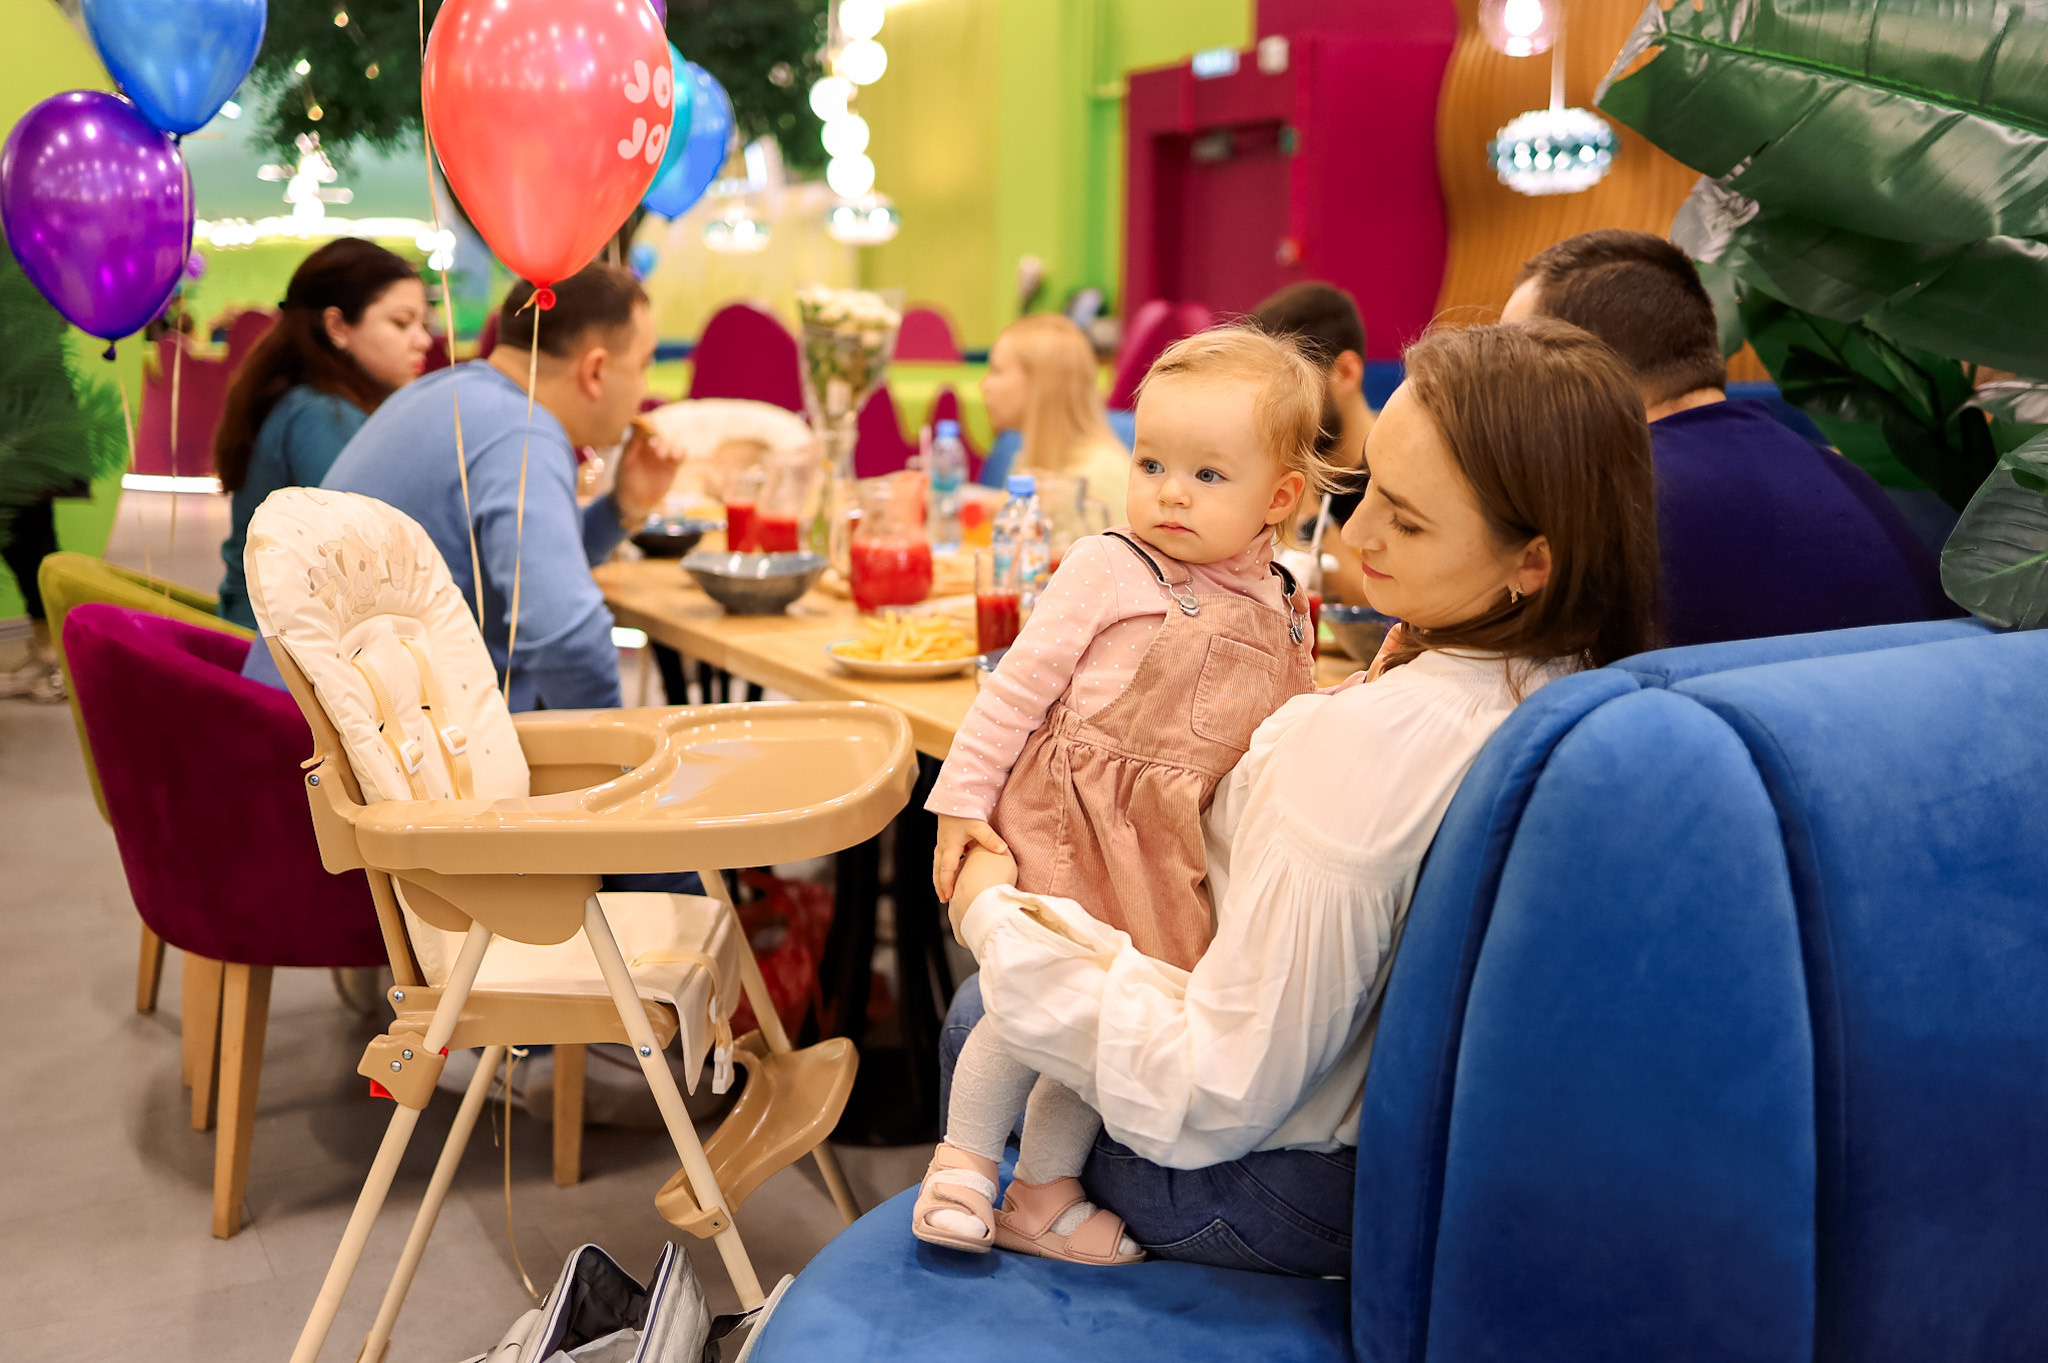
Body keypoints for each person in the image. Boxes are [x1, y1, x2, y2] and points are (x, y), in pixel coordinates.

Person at [939, 318, 1662, 1276]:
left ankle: (1013, 1205)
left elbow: (1219, 1091)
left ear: (1532, 562)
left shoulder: (1367, 751)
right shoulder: (1567, 672)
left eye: (1404, 519)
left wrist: (989, 909)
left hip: (1274, 1182)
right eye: (1366, 490)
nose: (1354, 535)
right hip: (1403, 1145)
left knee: (981, 1008)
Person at [913, 328, 1333, 1263]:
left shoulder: (1282, 598)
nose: (1170, 491)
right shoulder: (1111, 564)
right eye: (1151, 462)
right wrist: (958, 802)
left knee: (1106, 1025)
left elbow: (1285, 729)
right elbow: (1015, 689)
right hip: (1073, 823)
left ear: (1280, 497)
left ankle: (1042, 1192)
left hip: (1168, 853)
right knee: (1032, 1002)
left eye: (1208, 475)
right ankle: (963, 1162)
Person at [1502, 229, 1958, 646]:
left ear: (1581, 369)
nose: (1500, 396)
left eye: (1513, 366)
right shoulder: (1837, 472)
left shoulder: (1612, 503)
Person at [315, 264, 683, 710]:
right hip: (361, 755)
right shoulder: (523, 433)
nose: (644, 390)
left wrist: (624, 505)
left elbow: (525, 576)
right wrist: (620, 768)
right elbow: (568, 641)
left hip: (316, 722)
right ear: (596, 371)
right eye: (643, 365)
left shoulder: (445, 392)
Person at [215, 238, 432, 629]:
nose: (423, 340)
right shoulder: (320, 416)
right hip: (283, 659)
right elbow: (363, 562)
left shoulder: (310, 402)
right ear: (337, 326)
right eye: (402, 323)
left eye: (423, 324)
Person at [1253, 282, 1377, 608]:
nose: (1274, 406)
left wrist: (1306, 512)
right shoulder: (1270, 466)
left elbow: (1385, 612)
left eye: (1295, 382)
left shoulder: (1403, 475)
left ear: (1346, 373)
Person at [979, 313, 1133, 512]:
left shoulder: (1099, 477)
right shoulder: (1027, 456)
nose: (984, 385)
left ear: (1039, 385)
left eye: (997, 371)